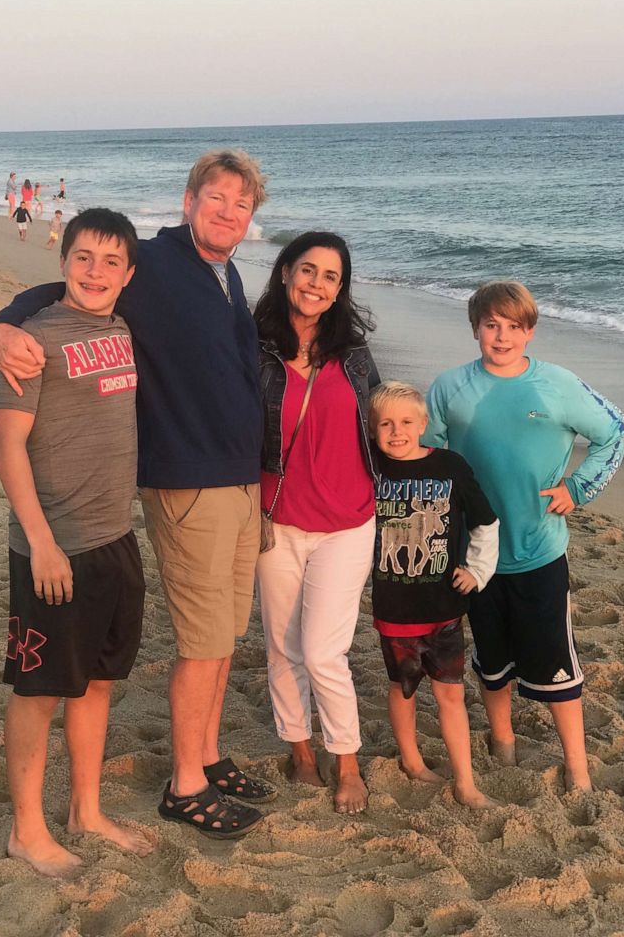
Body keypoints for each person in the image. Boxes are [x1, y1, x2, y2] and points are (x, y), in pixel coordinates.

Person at [0, 150, 273, 839]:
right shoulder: (155, 262)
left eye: (242, 203)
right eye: (216, 197)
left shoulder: (222, 276)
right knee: (193, 642)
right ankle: (183, 782)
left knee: (216, 636)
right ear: (187, 200)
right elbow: (51, 295)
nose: (228, 210)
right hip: (174, 485)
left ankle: (200, 755)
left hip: (209, 491)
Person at [0, 207, 152, 876]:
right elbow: (6, 449)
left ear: (128, 273)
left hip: (115, 538)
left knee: (95, 683)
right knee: (39, 691)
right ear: (64, 261)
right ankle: (26, 830)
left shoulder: (121, 329)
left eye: (111, 261)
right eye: (84, 257)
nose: (95, 271)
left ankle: (85, 809)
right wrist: (42, 541)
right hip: (52, 549)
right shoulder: (33, 339)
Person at [425, 281, 624, 792]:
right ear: (475, 328)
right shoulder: (449, 388)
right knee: (491, 661)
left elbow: (614, 431)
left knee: (556, 663)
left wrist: (578, 489)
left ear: (529, 332)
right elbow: (428, 459)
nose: (501, 336)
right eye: (491, 325)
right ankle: (503, 742)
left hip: (538, 551)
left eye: (513, 326)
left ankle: (577, 767)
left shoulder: (556, 384)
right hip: (476, 555)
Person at [254, 231, 378, 815]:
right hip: (276, 520)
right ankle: (301, 752)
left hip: (349, 521)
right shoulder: (254, 348)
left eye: (330, 277)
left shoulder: (353, 357)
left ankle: (346, 761)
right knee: (283, 648)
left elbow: (385, 423)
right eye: (307, 271)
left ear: (340, 290)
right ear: (285, 273)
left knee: (326, 651)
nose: (317, 284)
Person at [368, 381, 499, 808]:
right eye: (385, 424)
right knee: (402, 687)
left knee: (451, 693)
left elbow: (485, 521)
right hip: (393, 609)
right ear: (372, 430)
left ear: (424, 424)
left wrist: (477, 570)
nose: (396, 431)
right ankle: (411, 760)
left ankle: (465, 781)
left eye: (406, 422)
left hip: (443, 609)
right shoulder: (371, 467)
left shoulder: (450, 466)